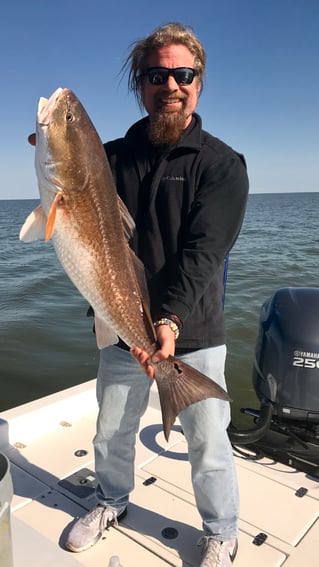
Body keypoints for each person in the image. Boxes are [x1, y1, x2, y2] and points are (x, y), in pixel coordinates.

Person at [64, 22, 249, 567]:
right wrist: (61, 156)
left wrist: (167, 321)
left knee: (209, 443)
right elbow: (80, 208)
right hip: (123, 330)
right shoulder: (111, 157)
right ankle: (110, 501)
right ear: (140, 84)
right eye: (156, 74)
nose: (170, 85)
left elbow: (205, 253)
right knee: (111, 431)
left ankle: (221, 530)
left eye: (182, 74)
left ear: (199, 82)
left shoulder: (221, 165)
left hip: (192, 332)